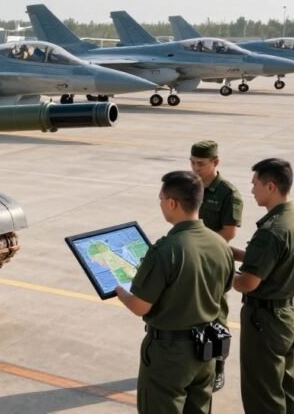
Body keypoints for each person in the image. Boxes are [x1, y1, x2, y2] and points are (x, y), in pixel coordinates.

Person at [116, 171, 234, 414]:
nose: (160, 204)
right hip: (206, 351)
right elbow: (224, 287)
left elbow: (140, 306)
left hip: (170, 353)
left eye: (161, 199)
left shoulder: (166, 250)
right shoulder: (220, 244)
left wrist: (120, 290)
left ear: (172, 203)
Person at [231, 158, 294, 414]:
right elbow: (278, 259)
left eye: (255, 184)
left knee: (263, 393)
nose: (252, 189)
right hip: (288, 314)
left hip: (266, 321)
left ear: (271, 186)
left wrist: (218, 272)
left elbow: (247, 283)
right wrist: (240, 255)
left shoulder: (271, 231)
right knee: (284, 384)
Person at [189, 140, 244, 391]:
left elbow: (229, 232)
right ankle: (194, 361)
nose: (195, 168)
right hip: (190, 258)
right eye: (192, 163)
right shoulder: (191, 187)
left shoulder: (227, 193)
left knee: (216, 314)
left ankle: (219, 366)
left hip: (213, 261)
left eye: (200, 164)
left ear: (216, 163)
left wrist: (204, 248)